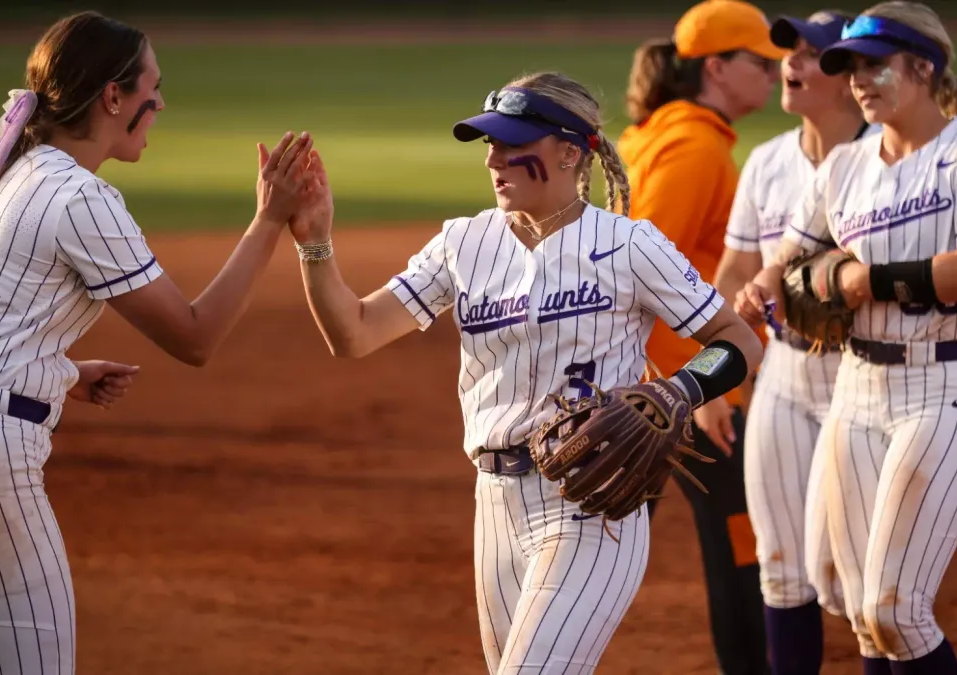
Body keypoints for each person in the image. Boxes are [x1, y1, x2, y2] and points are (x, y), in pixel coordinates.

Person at [283, 71, 763, 674]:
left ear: (571, 152)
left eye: (514, 145)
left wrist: (680, 388)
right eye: (489, 145)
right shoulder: (463, 243)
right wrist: (314, 244)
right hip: (495, 505)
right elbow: (353, 332)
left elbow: (736, 339)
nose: (495, 160)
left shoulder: (629, 245)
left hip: (591, 503)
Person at [0, 11, 313, 674]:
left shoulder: (7, 175)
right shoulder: (80, 197)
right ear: (113, 98)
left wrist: (63, 370)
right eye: (150, 91)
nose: (159, 104)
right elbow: (193, 337)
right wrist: (270, 219)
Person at [735, 2, 957, 673]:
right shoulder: (846, 167)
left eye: (874, 65)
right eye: (850, 67)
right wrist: (766, 285)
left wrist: (867, 282)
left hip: (944, 388)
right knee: (856, 603)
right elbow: (789, 253)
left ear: (923, 67)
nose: (859, 79)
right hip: (858, 391)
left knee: (895, 607)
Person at [615, 1, 785, 672]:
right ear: (716, 67)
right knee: (743, 551)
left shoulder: (651, 134)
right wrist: (701, 384)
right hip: (689, 390)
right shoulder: (693, 146)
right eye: (761, 62)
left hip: (646, 384)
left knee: (602, 553)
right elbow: (637, 273)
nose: (774, 75)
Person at [712, 9, 882, 675]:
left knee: (868, 578)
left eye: (812, 54)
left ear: (846, 78)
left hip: (866, 376)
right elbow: (733, 273)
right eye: (789, 50)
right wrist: (713, 379)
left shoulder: (884, 162)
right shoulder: (768, 162)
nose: (792, 62)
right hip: (783, 371)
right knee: (781, 566)